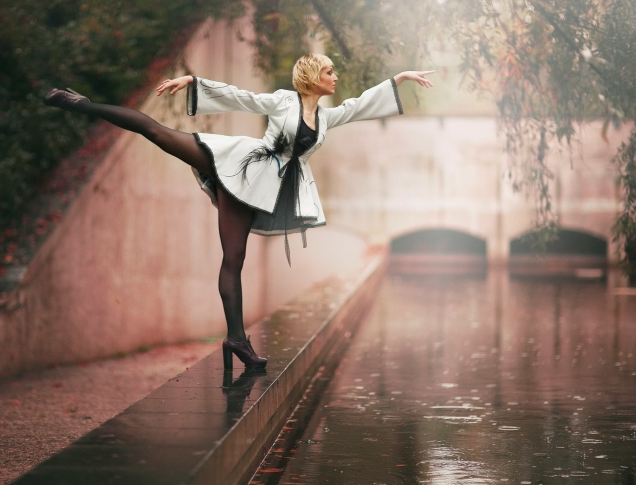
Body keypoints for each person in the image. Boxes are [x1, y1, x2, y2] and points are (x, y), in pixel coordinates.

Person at [44, 53, 434, 370]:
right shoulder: (284, 100)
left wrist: (398, 79)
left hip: (260, 189)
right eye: (329, 70)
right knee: (158, 132)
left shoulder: (327, 118)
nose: (335, 76)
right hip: (238, 162)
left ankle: (236, 339)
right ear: (312, 75)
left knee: (235, 258)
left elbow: (360, 104)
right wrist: (194, 84)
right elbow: (242, 97)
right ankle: (81, 104)